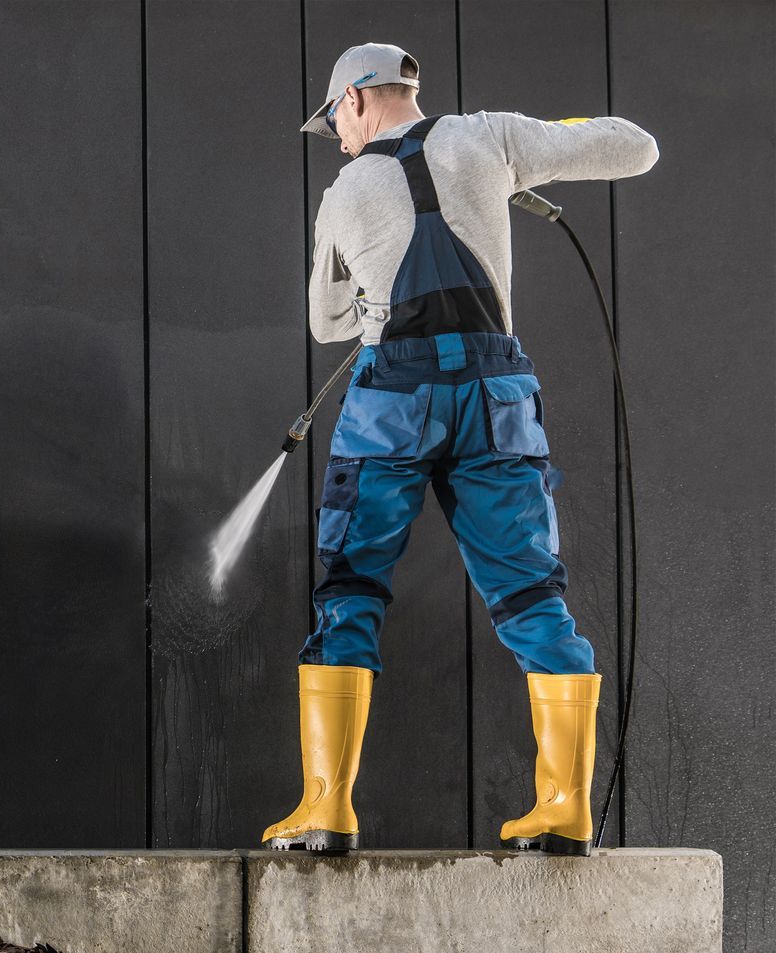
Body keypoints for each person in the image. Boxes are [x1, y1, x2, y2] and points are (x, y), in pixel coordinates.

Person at [263, 42, 658, 856]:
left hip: (392, 401)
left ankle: (326, 810)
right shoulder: (491, 136)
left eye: (335, 119)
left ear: (357, 98)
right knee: (532, 596)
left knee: (351, 588)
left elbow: (327, 324)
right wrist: (506, 172)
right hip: (495, 399)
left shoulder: (345, 192)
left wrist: (377, 290)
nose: (338, 137)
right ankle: (563, 809)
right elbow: (637, 147)